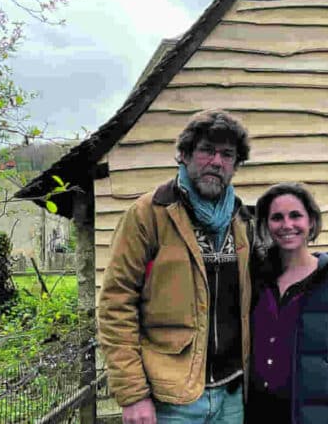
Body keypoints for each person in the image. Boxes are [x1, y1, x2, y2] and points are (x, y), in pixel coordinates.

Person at [98, 109, 262, 424]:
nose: (217, 161)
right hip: (172, 399)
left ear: (236, 165)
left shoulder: (242, 220)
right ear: (184, 155)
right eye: (206, 150)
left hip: (232, 395)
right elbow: (116, 305)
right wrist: (133, 394)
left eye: (227, 155)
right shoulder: (149, 214)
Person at [247, 183, 328, 424]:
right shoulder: (255, 281)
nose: (287, 225)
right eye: (277, 218)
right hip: (258, 415)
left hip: (316, 415)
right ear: (266, 225)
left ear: (311, 221)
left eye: (295, 216)